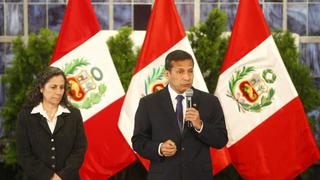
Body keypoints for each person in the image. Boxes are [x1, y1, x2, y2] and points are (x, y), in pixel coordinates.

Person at [132, 50, 228, 180]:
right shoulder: (148, 103)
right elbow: (138, 141)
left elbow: (221, 140)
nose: (187, 77)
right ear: (167, 74)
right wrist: (159, 148)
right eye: (180, 71)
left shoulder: (209, 101)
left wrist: (200, 125)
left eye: (190, 71)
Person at [16, 66, 87, 180]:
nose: (59, 92)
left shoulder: (74, 114)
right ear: (41, 88)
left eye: (62, 87)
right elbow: (24, 154)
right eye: (53, 87)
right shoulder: (25, 116)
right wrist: (49, 176)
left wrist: (62, 176)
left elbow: (79, 149)